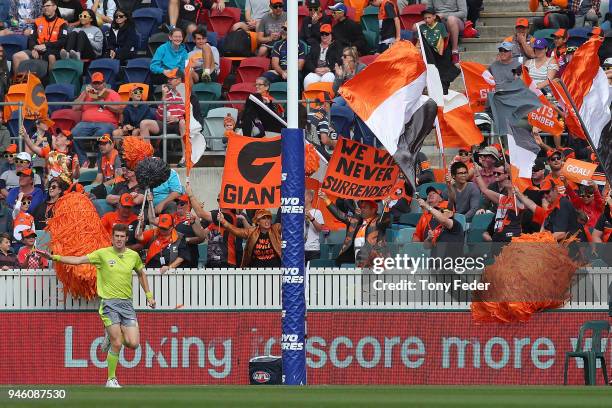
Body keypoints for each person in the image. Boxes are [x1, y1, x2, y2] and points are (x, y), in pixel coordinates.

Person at [39, 223, 156, 388]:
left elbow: (141, 273)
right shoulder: (102, 254)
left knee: (133, 343)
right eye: (117, 236)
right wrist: (54, 257)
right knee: (117, 342)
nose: (119, 239)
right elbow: (79, 260)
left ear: (126, 238)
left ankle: (111, 335)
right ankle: (111, 379)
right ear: (112, 238)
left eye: (122, 237)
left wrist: (149, 296)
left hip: (127, 305)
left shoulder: (133, 256)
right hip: (109, 304)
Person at [320, 191, 391, 266]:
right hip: (357, 261)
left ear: (373, 210)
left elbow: (385, 220)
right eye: (361, 207)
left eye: (364, 207)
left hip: (375, 262)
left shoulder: (378, 221)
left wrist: (386, 206)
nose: (361, 209)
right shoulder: (356, 221)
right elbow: (340, 215)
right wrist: (325, 199)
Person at [186, 185, 247, 268]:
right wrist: (194, 221)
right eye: (218, 199)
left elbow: (201, 213)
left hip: (225, 262)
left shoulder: (228, 216)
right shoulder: (217, 217)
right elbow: (201, 235)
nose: (219, 202)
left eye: (221, 199)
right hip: (212, 261)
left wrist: (191, 195)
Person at [71, 72, 124, 166]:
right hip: (86, 124)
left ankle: (100, 164)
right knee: (75, 133)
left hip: (106, 124)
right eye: (95, 83)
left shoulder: (111, 93)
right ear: (91, 84)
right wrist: (84, 94)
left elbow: (120, 109)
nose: (97, 85)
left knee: (101, 134)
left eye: (99, 83)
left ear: (104, 83)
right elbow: (75, 107)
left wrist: (105, 104)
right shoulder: (87, 94)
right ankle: (84, 162)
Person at [139, 69, 187, 164]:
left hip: (179, 124)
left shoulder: (185, 93)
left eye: (171, 79)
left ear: (179, 80)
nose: (168, 81)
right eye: (168, 79)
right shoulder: (166, 94)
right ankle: (148, 159)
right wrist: (164, 97)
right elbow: (159, 115)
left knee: (183, 122)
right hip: (165, 123)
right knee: (144, 124)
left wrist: (177, 119)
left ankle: (185, 157)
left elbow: (189, 113)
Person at [12, 0, 68, 73]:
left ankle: (51, 83)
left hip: (53, 49)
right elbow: (32, 37)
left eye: (48, 6)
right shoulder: (38, 21)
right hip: (37, 50)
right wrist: (33, 48)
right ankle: (17, 83)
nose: (45, 8)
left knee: (51, 56)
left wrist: (45, 45)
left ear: (55, 7)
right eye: (43, 6)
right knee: (16, 57)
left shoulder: (62, 23)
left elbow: (63, 41)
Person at [473, 163, 523, 241]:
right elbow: (484, 190)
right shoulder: (503, 199)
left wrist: (510, 171)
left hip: (512, 238)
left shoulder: (519, 201)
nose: (507, 180)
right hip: (498, 236)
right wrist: (477, 174)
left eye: (509, 178)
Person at [168, 194, 207, 268]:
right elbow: (153, 220)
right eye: (177, 203)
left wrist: (186, 240)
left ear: (189, 205)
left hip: (189, 258)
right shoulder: (171, 217)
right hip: (173, 257)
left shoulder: (194, 219)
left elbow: (202, 238)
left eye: (182, 204)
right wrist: (150, 202)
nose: (179, 206)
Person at [303, 24, 341, 90]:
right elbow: (308, 60)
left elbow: (339, 61)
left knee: (328, 78)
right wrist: (314, 69)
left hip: (329, 71)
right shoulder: (315, 46)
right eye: (322, 33)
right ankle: (310, 99)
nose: (324, 35)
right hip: (316, 71)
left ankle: (326, 99)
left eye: (326, 34)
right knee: (308, 79)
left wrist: (329, 68)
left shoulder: (336, 46)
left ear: (331, 35)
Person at [304, 189, 324, 262]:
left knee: (311, 272)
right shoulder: (298, 212)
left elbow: (320, 229)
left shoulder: (317, 212)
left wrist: (311, 218)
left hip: (313, 249)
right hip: (299, 249)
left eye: (303, 196)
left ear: (310, 198)